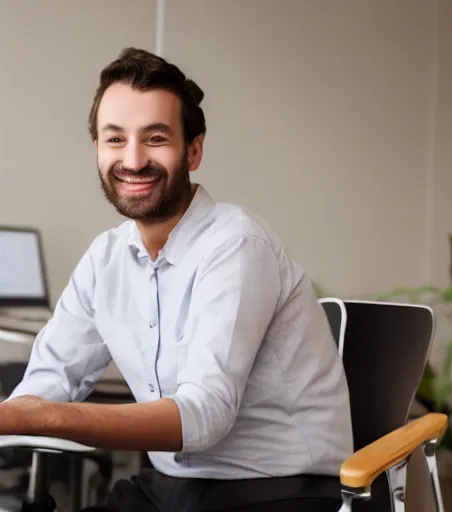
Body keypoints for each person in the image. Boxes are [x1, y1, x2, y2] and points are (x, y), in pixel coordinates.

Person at [5, 48, 353, 512]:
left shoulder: (237, 245)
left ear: (193, 149)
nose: (132, 160)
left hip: (280, 491)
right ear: (97, 149)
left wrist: (45, 416)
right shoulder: (105, 258)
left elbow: (204, 415)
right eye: (115, 139)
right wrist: (19, 413)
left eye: (155, 138)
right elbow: (47, 383)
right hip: (170, 489)